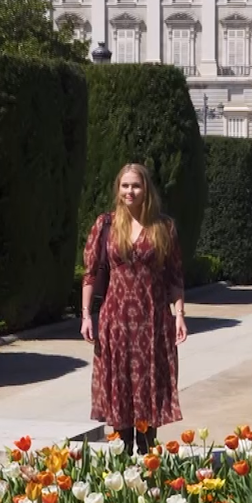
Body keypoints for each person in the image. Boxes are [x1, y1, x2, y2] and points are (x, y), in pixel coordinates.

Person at [81, 163, 187, 455]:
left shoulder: (163, 227)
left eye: (136, 186)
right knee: (119, 385)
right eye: (125, 186)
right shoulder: (106, 225)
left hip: (152, 321)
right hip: (115, 321)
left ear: (146, 189)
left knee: (147, 386)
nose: (130, 191)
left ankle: (147, 452)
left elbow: (175, 277)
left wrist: (179, 315)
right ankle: (123, 455)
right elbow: (91, 274)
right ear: (118, 189)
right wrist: (86, 315)